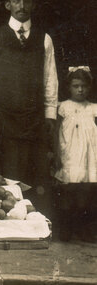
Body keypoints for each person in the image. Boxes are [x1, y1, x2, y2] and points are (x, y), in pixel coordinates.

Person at [0, 0, 58, 191]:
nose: (21, 6)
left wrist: (50, 113)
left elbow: (50, 78)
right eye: (16, 1)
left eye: (26, 1)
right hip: (0, 116)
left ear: (33, 5)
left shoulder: (44, 39)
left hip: (32, 118)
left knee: (32, 173)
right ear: (8, 5)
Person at [53, 67, 97, 242]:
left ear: (89, 87)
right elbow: (56, 132)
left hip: (88, 156)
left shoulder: (93, 109)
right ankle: (66, 228)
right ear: (68, 87)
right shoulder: (63, 107)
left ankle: (82, 229)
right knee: (67, 190)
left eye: (84, 86)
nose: (80, 90)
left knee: (85, 192)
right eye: (76, 86)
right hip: (69, 154)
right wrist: (56, 154)